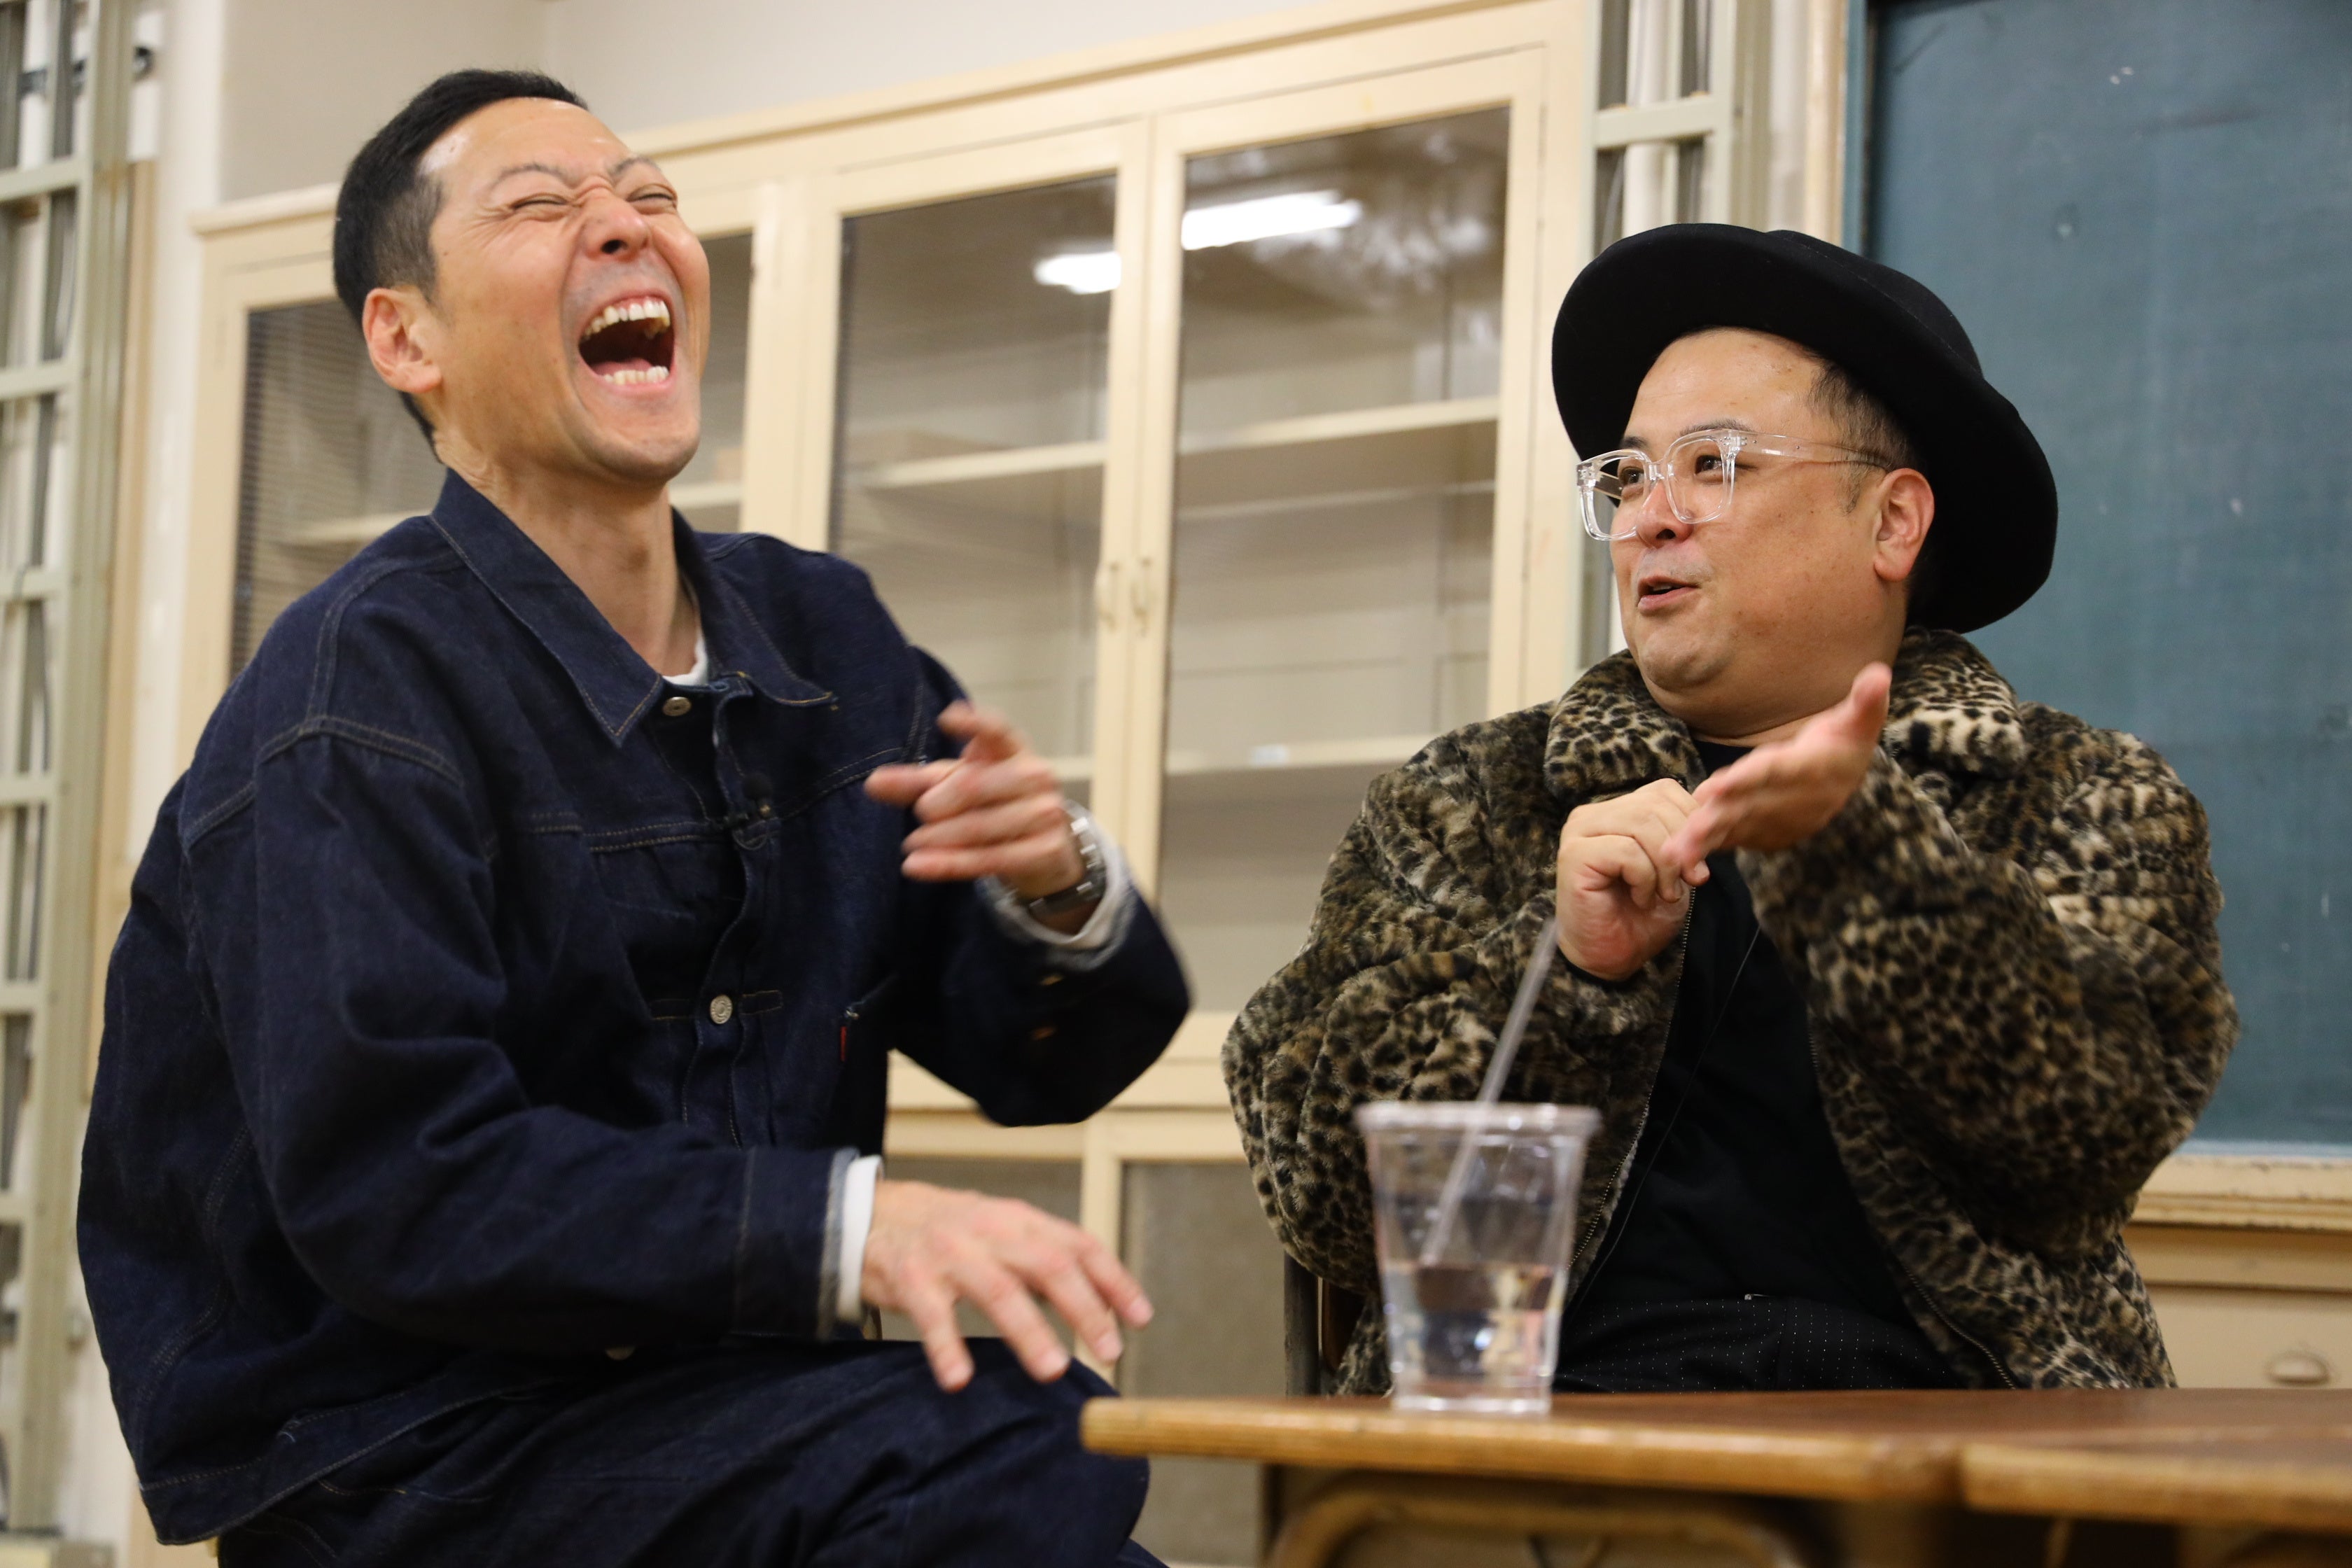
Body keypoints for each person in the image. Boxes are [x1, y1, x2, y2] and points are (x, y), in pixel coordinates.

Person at [81, 70, 1187, 1565]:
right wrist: (851, 1227)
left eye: (650, 197)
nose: (626, 226)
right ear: (407, 339)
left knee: (1064, 1489)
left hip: (719, 1412)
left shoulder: (827, 637)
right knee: (1022, 1438)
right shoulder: (354, 689)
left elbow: (1048, 1067)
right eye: (543, 205)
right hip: (404, 1456)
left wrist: (1059, 885)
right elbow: (404, 1186)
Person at [1226, 225, 2237, 1394]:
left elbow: (2082, 1154)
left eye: (1715, 465)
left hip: (1950, 1437)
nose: (1653, 517)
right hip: (1534, 1427)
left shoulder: (2076, 793)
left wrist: (1870, 865)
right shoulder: (1472, 799)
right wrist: (1565, 975)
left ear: (1893, 523)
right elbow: (1323, 1198)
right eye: (1628, 476)